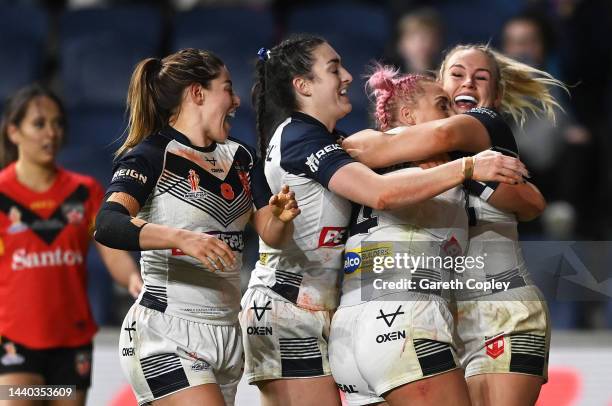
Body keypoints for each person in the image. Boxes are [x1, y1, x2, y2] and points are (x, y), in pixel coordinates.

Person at [240, 34, 527, 406]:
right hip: (299, 309)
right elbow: (381, 193)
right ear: (303, 85)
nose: (346, 76)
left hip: (337, 320)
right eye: (333, 69)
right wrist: (468, 165)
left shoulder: (334, 141)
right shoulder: (303, 138)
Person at [343, 44, 564, 406]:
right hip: (441, 316)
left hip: (502, 310)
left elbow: (532, 202)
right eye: (458, 74)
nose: (468, 84)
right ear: (439, 83)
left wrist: (337, 152)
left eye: (481, 78)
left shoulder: (486, 127)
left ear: (497, 93)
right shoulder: (425, 156)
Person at [93, 48, 300, 406]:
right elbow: (108, 224)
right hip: (166, 329)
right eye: (227, 88)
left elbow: (271, 234)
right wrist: (181, 239)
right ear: (197, 93)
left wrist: (280, 219)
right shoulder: (152, 154)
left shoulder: (241, 157)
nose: (236, 100)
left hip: (226, 333)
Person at [0, 84, 142, 406]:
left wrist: (132, 279)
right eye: (39, 123)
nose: (51, 132)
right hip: (14, 344)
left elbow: (111, 249)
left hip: (71, 344)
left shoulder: (84, 191)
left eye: (57, 123)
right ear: (13, 131)